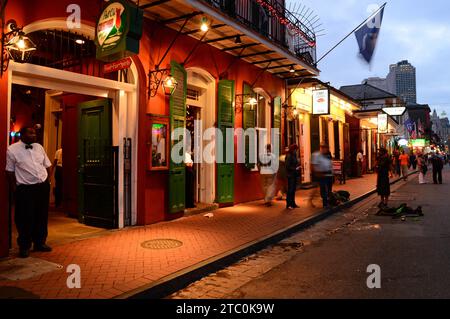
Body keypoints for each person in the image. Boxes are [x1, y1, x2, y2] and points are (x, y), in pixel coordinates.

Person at [5, 126, 53, 258]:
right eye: (31, 133)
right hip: (25, 189)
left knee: (41, 216)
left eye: (35, 133)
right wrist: (16, 189)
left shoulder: (39, 147)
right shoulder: (12, 149)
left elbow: (48, 165)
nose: (34, 135)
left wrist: (47, 181)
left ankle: (40, 243)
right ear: (22, 135)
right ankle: (24, 246)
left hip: (41, 187)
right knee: (25, 218)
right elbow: (9, 171)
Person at [311, 143, 333, 208]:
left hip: (328, 173)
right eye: (324, 148)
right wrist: (316, 173)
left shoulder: (327, 155)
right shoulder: (316, 155)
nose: (325, 150)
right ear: (321, 148)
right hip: (321, 174)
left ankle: (327, 201)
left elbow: (329, 164)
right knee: (323, 189)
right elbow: (313, 165)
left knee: (328, 188)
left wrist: (332, 172)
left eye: (326, 148)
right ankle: (325, 204)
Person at [285, 144, 300, 209]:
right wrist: (295, 168)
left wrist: (297, 166)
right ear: (293, 149)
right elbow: (287, 166)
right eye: (295, 150)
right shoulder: (289, 156)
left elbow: (295, 163)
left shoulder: (294, 155)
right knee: (290, 190)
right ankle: (288, 204)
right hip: (290, 175)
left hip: (294, 174)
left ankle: (293, 203)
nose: (296, 151)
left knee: (293, 189)